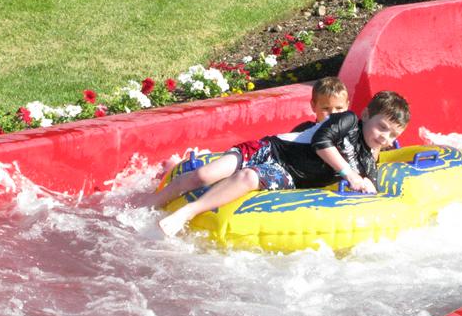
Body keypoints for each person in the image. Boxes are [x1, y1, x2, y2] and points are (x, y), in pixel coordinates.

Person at [156, 90, 410, 237]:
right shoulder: (349, 121)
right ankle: (150, 202)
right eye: (381, 127)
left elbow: (374, 193)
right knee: (203, 175)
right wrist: (350, 175)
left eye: (392, 135)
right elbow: (321, 142)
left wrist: (366, 183)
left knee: (248, 178)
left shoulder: (368, 159)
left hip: (290, 176)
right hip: (272, 150)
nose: (384, 137)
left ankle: (188, 211)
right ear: (367, 115)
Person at [138, 77, 349, 210]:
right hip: (263, 155)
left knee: (239, 177)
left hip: (271, 172)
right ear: (313, 106)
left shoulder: (349, 138)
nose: (332, 116)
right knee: (203, 175)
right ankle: (148, 202)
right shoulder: (304, 131)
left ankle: (175, 172)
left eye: (339, 109)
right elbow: (283, 152)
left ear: (347, 106)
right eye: (326, 109)